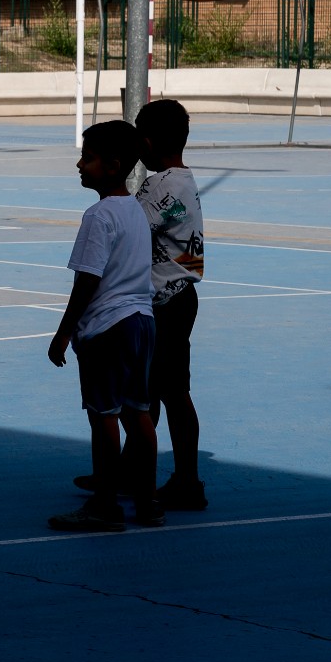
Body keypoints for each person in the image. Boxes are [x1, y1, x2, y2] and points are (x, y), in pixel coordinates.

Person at [47, 120, 162, 532]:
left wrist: (64, 331)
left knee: (105, 416)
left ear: (113, 166)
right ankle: (148, 502)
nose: (79, 164)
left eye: (88, 158)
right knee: (139, 414)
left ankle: (105, 505)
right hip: (141, 322)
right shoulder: (135, 210)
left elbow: (88, 279)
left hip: (108, 328)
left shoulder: (98, 215)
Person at [134, 99, 207, 509]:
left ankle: (187, 480)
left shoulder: (169, 186)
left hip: (170, 300)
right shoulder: (169, 180)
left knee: (172, 392)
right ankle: (136, 468)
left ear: (146, 141)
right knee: (152, 392)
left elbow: (131, 227)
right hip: (168, 298)